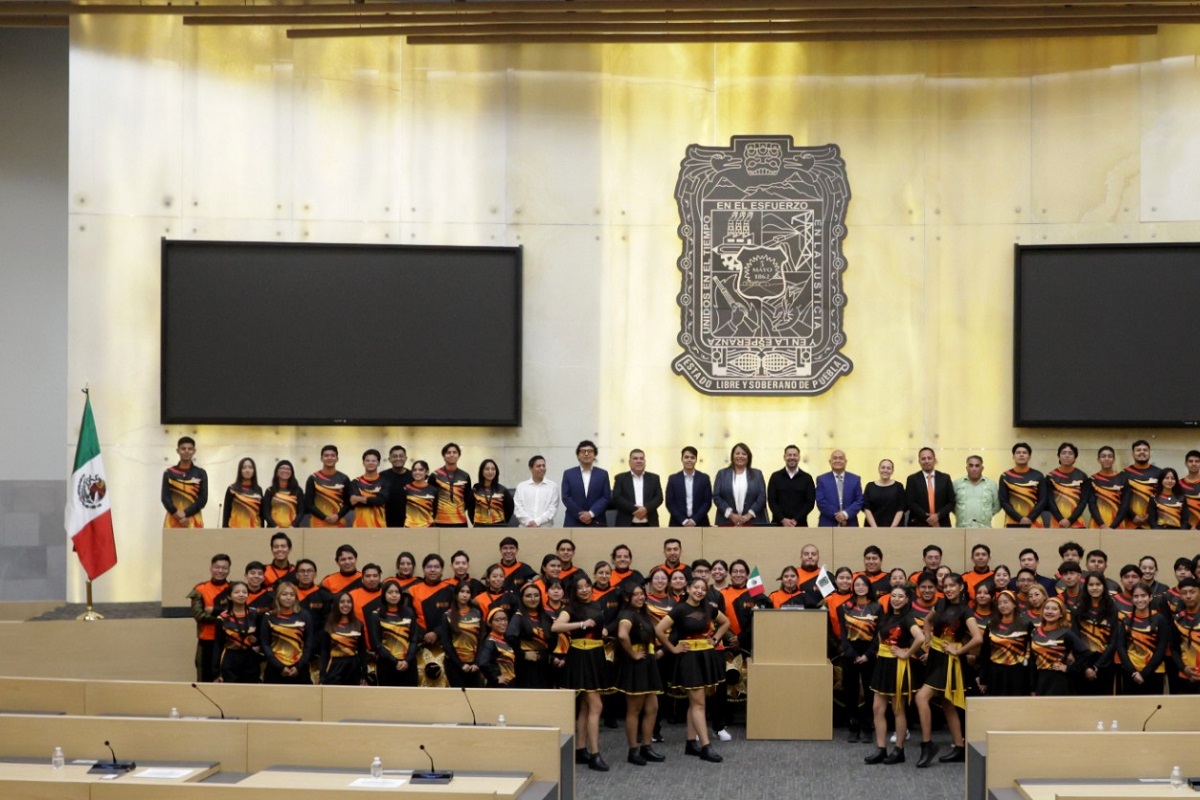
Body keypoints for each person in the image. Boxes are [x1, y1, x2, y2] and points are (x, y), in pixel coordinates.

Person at [655, 576, 729, 763]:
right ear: (688, 588)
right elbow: (659, 630)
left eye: (703, 589)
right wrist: (672, 648)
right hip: (688, 659)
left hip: (706, 656)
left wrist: (716, 639)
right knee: (698, 704)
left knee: (696, 702)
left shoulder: (709, 607)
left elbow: (726, 622)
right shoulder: (680, 609)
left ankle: (691, 743)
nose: (699, 591)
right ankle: (705, 746)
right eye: (696, 587)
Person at [913, 574, 981, 767]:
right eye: (946, 585)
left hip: (949, 660)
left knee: (921, 697)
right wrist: (927, 640)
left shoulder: (965, 610)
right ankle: (960, 747)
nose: (949, 588)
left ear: (961, 587)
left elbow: (978, 638)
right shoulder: (941, 604)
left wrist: (958, 650)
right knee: (946, 702)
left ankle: (927, 744)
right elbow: (927, 622)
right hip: (935, 656)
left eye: (953, 585)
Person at [553, 575, 613, 771]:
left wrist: (601, 631)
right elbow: (556, 627)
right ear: (574, 591)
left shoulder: (596, 604)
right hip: (581, 655)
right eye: (580, 588)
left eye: (587, 585)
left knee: (587, 707)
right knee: (596, 705)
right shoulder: (571, 608)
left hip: (596, 654)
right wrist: (580, 625)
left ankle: (580, 749)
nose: (585, 589)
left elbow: (597, 626)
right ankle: (595, 754)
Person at [863, 586, 925, 765]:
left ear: (907, 599)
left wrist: (906, 653)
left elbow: (920, 638)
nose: (896, 599)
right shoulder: (885, 615)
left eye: (900, 596)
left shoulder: (907, 618)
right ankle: (881, 748)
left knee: (898, 710)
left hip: (897, 666)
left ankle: (899, 749)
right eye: (893, 596)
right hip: (882, 664)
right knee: (877, 708)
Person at [615, 584, 666, 766]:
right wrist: (633, 653)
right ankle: (633, 750)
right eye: (635, 594)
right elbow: (622, 635)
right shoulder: (627, 614)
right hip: (636, 665)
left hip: (648, 663)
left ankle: (646, 746)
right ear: (628, 598)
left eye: (642, 594)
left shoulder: (642, 613)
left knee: (652, 708)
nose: (640, 597)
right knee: (634, 710)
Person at [840, 574, 881, 742]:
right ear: (853, 587)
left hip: (869, 654)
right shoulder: (845, 606)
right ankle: (853, 726)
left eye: (863, 584)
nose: (860, 587)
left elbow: (879, 634)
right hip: (850, 653)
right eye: (857, 584)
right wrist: (853, 654)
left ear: (868, 587)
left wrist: (867, 655)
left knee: (870, 692)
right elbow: (843, 635)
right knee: (850, 691)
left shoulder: (877, 607)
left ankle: (867, 727)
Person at [1115, 582, 1169, 695]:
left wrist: (1144, 673)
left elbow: (1161, 648)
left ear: (1150, 598)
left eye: (1143, 596)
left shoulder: (1160, 619)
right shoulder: (1126, 620)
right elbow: (1121, 646)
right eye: (1136, 596)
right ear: (1132, 599)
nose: (1140, 600)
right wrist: (1133, 671)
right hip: (1131, 673)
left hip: (1154, 672)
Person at [1029, 597, 1090, 696]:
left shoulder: (1066, 632)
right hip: (1041, 681)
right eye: (1047, 608)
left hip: (1059, 681)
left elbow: (1085, 653)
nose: (1049, 611)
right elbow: (1033, 661)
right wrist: (1032, 687)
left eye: (1054, 609)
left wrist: (1069, 669)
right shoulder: (1035, 632)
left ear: (1061, 613)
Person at [976, 590, 1031, 697]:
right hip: (995, 673)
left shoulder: (1026, 624)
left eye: (1005, 602)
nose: (1002, 605)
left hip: (1018, 673)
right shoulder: (991, 624)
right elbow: (985, 653)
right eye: (999, 603)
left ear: (1014, 604)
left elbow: (1030, 651)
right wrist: (983, 678)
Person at [368, 579, 420, 687]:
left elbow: (414, 639)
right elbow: (377, 644)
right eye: (390, 592)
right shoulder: (376, 614)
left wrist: (406, 661)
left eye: (397, 592)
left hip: (408, 664)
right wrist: (395, 662)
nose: (394, 595)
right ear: (384, 595)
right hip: (387, 665)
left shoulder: (409, 612)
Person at [260, 582, 314, 685]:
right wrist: (279, 667)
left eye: (292, 594)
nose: (288, 597)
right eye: (284, 594)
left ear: (296, 597)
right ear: (278, 597)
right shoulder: (269, 616)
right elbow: (265, 644)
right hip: (275, 668)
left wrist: (299, 666)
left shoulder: (305, 615)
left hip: (299, 667)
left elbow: (309, 643)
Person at [1073, 571, 1117, 696]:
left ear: (1104, 586)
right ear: (1086, 587)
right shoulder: (1078, 608)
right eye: (1091, 585)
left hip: (1105, 662)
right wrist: (1086, 667)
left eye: (1098, 584)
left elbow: (1114, 641)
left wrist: (1097, 666)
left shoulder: (1111, 608)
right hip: (1083, 662)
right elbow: (1075, 639)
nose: (1095, 588)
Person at [189, 553, 231, 682]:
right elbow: (199, 616)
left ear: (229, 570)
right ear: (211, 568)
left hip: (228, 641)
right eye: (217, 567)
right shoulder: (200, 589)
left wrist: (213, 611)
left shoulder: (233, 589)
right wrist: (223, 617)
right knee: (204, 678)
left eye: (224, 568)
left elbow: (235, 614)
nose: (220, 571)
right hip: (206, 641)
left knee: (227, 677)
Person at [509, 582, 559, 689]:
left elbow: (554, 638)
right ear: (521, 598)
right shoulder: (519, 616)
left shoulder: (547, 616)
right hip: (527, 665)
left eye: (536, 595)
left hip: (546, 666)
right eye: (528, 596)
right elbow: (509, 637)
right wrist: (523, 654)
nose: (533, 599)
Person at [212, 581, 261, 683]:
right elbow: (218, 645)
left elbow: (263, 637)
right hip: (231, 658)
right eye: (237, 592)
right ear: (229, 596)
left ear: (248, 594)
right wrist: (216, 672)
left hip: (251, 657)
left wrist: (256, 641)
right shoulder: (222, 618)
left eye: (244, 592)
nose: (241, 594)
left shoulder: (255, 614)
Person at [440, 582, 484, 688]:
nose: (465, 595)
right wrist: (460, 664)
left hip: (473, 664)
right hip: (454, 664)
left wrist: (476, 663)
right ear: (456, 594)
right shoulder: (448, 615)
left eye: (468, 592)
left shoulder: (477, 613)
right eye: (462, 592)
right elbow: (446, 643)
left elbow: (481, 639)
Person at [318, 592, 368, 685]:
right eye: (342, 602)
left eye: (349, 602)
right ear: (336, 604)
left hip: (353, 667)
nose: (346, 605)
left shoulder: (358, 624)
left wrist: (364, 674)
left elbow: (362, 651)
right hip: (334, 665)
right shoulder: (328, 625)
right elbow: (324, 652)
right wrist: (322, 675)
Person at [713, 442, 767, 526]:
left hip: (753, 522)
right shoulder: (722, 474)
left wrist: (748, 515)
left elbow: (762, 496)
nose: (740, 456)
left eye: (744, 454)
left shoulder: (757, 474)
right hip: (727, 522)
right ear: (732, 456)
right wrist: (731, 515)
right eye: (737, 453)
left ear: (748, 457)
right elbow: (716, 496)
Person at [561, 440, 611, 528]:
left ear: (594, 455)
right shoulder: (568, 474)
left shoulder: (603, 474)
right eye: (583, 451)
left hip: (597, 521)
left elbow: (606, 497)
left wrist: (591, 514)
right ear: (578, 456)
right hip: (573, 521)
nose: (586, 454)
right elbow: (566, 497)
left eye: (590, 451)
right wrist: (581, 515)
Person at [162, 436, 208, 528]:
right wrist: (176, 514)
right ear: (178, 451)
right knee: (172, 543)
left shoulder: (200, 473)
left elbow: (203, 499)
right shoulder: (169, 472)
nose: (186, 451)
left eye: (190, 449)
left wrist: (185, 514)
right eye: (183, 448)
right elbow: (165, 498)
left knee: (195, 543)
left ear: (194, 451)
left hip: (194, 520)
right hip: (172, 520)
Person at [766, 444, 816, 526]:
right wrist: (783, 519)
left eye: (795, 455)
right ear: (784, 457)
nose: (792, 457)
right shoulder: (775, 477)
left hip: (800, 525)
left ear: (799, 457)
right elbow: (771, 501)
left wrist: (796, 519)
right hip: (778, 525)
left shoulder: (807, 478)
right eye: (789, 455)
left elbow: (810, 502)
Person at [612, 449, 664, 527]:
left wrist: (646, 509)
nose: (639, 461)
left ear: (645, 461)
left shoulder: (654, 478)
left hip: (650, 523)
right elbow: (617, 498)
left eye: (641, 458)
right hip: (626, 523)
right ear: (629, 462)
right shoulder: (620, 478)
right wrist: (637, 511)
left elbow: (659, 498)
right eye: (635, 458)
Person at [905, 447, 954, 527]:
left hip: (941, 523)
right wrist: (928, 518)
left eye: (929, 458)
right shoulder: (912, 479)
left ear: (934, 460)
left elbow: (951, 502)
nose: (926, 461)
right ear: (919, 461)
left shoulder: (945, 478)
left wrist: (937, 516)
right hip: (918, 524)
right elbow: (910, 502)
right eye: (923, 459)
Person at [999, 442, 1045, 527]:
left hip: (1034, 521)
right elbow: (1003, 501)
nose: (1021, 455)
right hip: (1012, 521)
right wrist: (1020, 519)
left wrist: (1030, 518)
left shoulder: (1038, 475)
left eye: (1024, 453)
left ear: (1029, 457)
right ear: (1013, 456)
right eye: (1018, 453)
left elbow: (1042, 500)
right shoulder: (1005, 476)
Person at [304, 445, 351, 528]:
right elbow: (309, 504)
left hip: (338, 522)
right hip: (317, 523)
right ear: (321, 459)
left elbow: (348, 503)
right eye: (326, 455)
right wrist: (324, 517)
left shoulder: (344, 478)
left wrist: (338, 516)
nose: (329, 458)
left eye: (332, 455)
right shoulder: (313, 478)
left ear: (337, 459)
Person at [815, 449, 865, 527]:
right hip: (827, 524)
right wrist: (838, 516)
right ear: (830, 461)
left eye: (841, 458)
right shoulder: (821, 479)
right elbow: (820, 501)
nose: (838, 460)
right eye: (835, 458)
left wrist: (845, 514)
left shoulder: (855, 479)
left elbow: (859, 500)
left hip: (850, 524)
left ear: (845, 461)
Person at [665, 446, 713, 527]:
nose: (689, 460)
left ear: (696, 460)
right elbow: (670, 503)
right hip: (677, 523)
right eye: (686, 457)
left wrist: (694, 520)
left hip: (700, 523)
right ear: (682, 459)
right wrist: (683, 520)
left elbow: (707, 502)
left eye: (692, 457)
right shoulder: (673, 479)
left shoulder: (704, 478)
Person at [1168, 578, 1200, 695]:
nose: (1188, 596)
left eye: (1192, 592)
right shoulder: (1177, 620)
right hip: (1185, 676)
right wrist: (1183, 668)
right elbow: (1174, 648)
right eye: (1184, 593)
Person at [1045, 442, 1088, 528]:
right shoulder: (1050, 476)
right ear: (1058, 456)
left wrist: (1070, 520)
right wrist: (1060, 519)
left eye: (1070, 453)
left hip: (1077, 521)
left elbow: (1083, 502)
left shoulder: (1082, 476)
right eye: (1064, 453)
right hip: (1056, 521)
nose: (1067, 456)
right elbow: (1050, 501)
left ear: (1075, 457)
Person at [432, 443, 474, 527]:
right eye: (448, 452)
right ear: (443, 456)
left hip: (460, 521)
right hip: (439, 521)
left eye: (454, 452)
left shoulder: (465, 476)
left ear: (459, 456)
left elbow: (467, 499)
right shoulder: (435, 475)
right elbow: (431, 499)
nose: (451, 455)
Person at [1088, 446, 1130, 529]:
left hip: (1118, 525)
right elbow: (1092, 505)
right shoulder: (1092, 479)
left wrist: (1113, 526)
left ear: (1114, 459)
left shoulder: (1122, 479)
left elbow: (1125, 505)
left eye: (1110, 456)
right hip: (1097, 525)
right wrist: (1102, 524)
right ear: (1098, 459)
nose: (1106, 459)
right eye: (1103, 456)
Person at [953, 455, 1000, 528]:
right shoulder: (956, 484)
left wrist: (987, 514)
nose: (974, 469)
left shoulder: (992, 485)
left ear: (982, 468)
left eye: (977, 466)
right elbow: (951, 505)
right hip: (962, 530)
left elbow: (997, 505)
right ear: (966, 468)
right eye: (971, 466)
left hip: (984, 529)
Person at [513, 455, 559, 528]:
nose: (542, 468)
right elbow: (518, 508)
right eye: (538, 466)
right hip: (525, 528)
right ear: (531, 468)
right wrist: (529, 522)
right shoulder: (521, 486)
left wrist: (537, 522)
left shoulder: (553, 486)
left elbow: (552, 509)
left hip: (546, 529)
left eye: (544, 466)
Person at [1124, 439, 1161, 529]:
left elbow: (1163, 497)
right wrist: (1133, 516)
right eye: (1138, 450)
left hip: (1153, 523)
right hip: (1129, 523)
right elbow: (1121, 499)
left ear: (1149, 453)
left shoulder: (1159, 473)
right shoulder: (1125, 473)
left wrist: (1150, 516)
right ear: (1133, 454)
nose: (1142, 452)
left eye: (1145, 450)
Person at [475, 607, 516, 687]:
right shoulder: (490, 642)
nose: (503, 623)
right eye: (498, 620)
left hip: (510, 683)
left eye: (505, 619)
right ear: (490, 623)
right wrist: (496, 678)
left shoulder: (506, 639)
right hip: (499, 686)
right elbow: (483, 663)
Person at [349, 449, 388, 528]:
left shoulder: (385, 482)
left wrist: (359, 498)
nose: (370, 463)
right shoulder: (355, 482)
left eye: (373, 461)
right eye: (368, 460)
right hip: (359, 525)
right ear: (363, 463)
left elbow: (381, 500)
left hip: (379, 525)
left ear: (378, 463)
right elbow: (353, 502)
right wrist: (374, 498)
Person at [863, 458, 906, 527]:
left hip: (894, 529)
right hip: (872, 529)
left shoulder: (899, 486)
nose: (885, 470)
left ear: (892, 471)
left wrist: (892, 528)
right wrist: (875, 528)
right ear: (879, 469)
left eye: (888, 468)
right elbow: (866, 508)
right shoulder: (870, 486)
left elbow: (901, 508)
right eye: (883, 468)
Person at [222, 457, 263, 528]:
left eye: (250, 467)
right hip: (235, 530)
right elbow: (226, 513)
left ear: (254, 471)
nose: (247, 470)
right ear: (240, 471)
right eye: (244, 468)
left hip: (255, 530)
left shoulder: (258, 490)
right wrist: (225, 530)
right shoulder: (232, 489)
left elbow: (261, 514)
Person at [472, 458, 514, 527]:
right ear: (482, 471)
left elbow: (510, 509)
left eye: (493, 469)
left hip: (499, 526)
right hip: (480, 527)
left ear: (496, 471)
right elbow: (471, 510)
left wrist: (502, 522)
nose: (490, 472)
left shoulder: (502, 490)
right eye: (487, 469)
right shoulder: (475, 490)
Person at [262, 461, 304, 528]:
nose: (285, 470)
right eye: (282, 468)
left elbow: (301, 512)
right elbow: (266, 512)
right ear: (277, 471)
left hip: (293, 529)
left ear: (292, 472)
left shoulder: (298, 491)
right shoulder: (270, 491)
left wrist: (293, 525)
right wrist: (274, 526)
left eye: (288, 469)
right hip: (273, 528)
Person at [381, 445, 413, 527]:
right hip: (386, 521)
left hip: (409, 521)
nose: (398, 459)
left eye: (401, 456)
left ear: (406, 458)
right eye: (395, 456)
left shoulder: (413, 476)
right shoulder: (382, 476)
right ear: (389, 459)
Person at [403, 461, 438, 528]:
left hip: (428, 527)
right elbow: (401, 510)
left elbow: (435, 510)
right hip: (409, 527)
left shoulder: (433, 490)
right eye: (415, 470)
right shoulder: (406, 488)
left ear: (427, 472)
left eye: (421, 470)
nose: (417, 472)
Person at [1181, 451, 1200, 529]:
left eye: (1197, 461)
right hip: (1182, 528)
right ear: (1186, 463)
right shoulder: (1178, 484)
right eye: (1191, 461)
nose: (1194, 464)